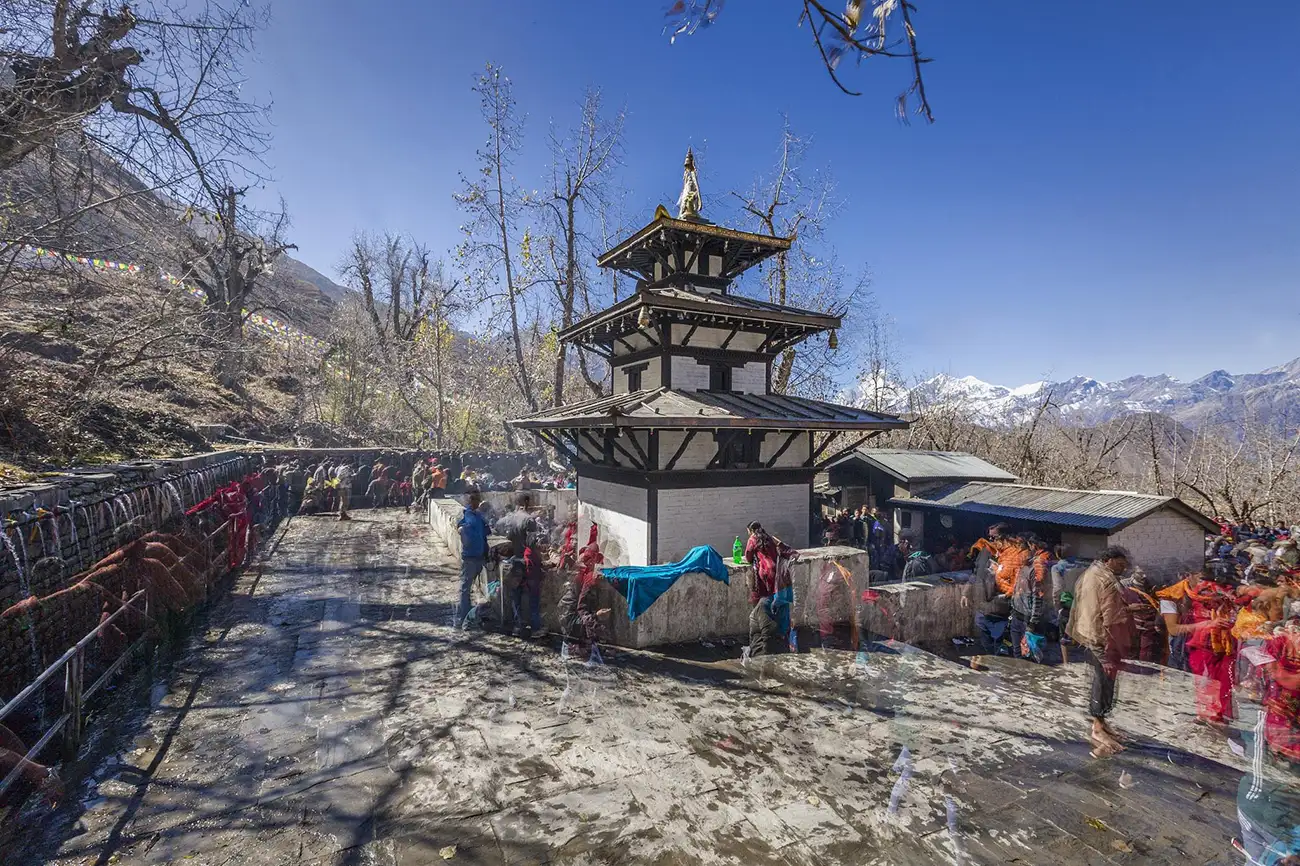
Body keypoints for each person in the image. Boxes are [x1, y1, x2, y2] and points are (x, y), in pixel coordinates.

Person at [1066, 546, 1133, 757]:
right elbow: (1111, 618)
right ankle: (1097, 727)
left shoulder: (1091, 573)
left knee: (1102, 680)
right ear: (1108, 560)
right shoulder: (1108, 582)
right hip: (1102, 639)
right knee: (1103, 682)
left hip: (1087, 633)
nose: (1123, 569)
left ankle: (1102, 722)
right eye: (1120, 564)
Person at [1158, 561, 1241, 729]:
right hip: (1187, 645)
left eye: (1210, 579)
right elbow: (1173, 629)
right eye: (1202, 579)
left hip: (1218, 644)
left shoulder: (1216, 594)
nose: (1208, 584)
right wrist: (1206, 625)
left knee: (1221, 680)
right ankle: (1200, 714)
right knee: (1199, 682)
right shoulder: (1171, 595)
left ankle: (1215, 715)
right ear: (1187, 576)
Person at [744, 521, 799, 657]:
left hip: (766, 573)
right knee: (779, 601)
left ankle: (771, 638)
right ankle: (783, 635)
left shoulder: (753, 538)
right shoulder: (769, 537)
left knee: (766, 604)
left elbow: (748, 556)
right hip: (779, 572)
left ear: (750, 530)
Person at [1010, 534, 1052, 663]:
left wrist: (1033, 622)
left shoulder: (1036, 567)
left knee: (1031, 655)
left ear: (1033, 547)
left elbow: (1037, 596)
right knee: (1017, 653)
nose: (1018, 551)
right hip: (1017, 613)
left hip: (1028, 619)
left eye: (1022, 547)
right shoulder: (1023, 566)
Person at [455, 492, 489, 628]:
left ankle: (471, 613)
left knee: (473, 588)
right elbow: (459, 528)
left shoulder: (478, 516)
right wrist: (462, 529)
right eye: (474, 500)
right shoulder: (466, 515)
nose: (476, 502)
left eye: (477, 500)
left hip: (479, 556)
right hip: (469, 557)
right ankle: (463, 617)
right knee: (466, 588)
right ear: (470, 501)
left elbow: (485, 533)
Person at [1120, 566, 1167, 663]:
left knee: (1147, 656)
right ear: (1134, 571)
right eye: (1140, 573)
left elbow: (1163, 603)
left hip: (1150, 627)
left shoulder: (1156, 584)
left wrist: (1158, 621)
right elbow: (1114, 607)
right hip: (1130, 626)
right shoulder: (1123, 585)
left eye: (1147, 573)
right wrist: (1129, 608)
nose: (1144, 576)